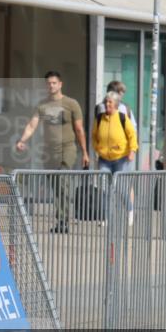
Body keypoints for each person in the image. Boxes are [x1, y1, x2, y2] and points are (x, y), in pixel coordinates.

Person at [16, 71, 90, 233]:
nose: (51, 86)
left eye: (54, 83)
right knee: (55, 186)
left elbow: (79, 129)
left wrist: (84, 152)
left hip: (67, 148)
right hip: (49, 151)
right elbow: (31, 125)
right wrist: (22, 140)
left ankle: (63, 220)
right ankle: (61, 220)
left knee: (63, 182)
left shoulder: (71, 104)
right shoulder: (42, 105)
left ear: (60, 84)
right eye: (48, 83)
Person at [93, 92, 139, 225]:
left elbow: (132, 136)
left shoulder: (122, 118)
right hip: (104, 159)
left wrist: (132, 151)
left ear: (116, 105)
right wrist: (97, 149)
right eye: (106, 102)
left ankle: (129, 211)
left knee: (121, 188)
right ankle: (106, 218)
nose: (107, 104)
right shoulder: (100, 118)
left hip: (121, 158)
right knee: (105, 189)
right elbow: (94, 136)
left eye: (110, 102)